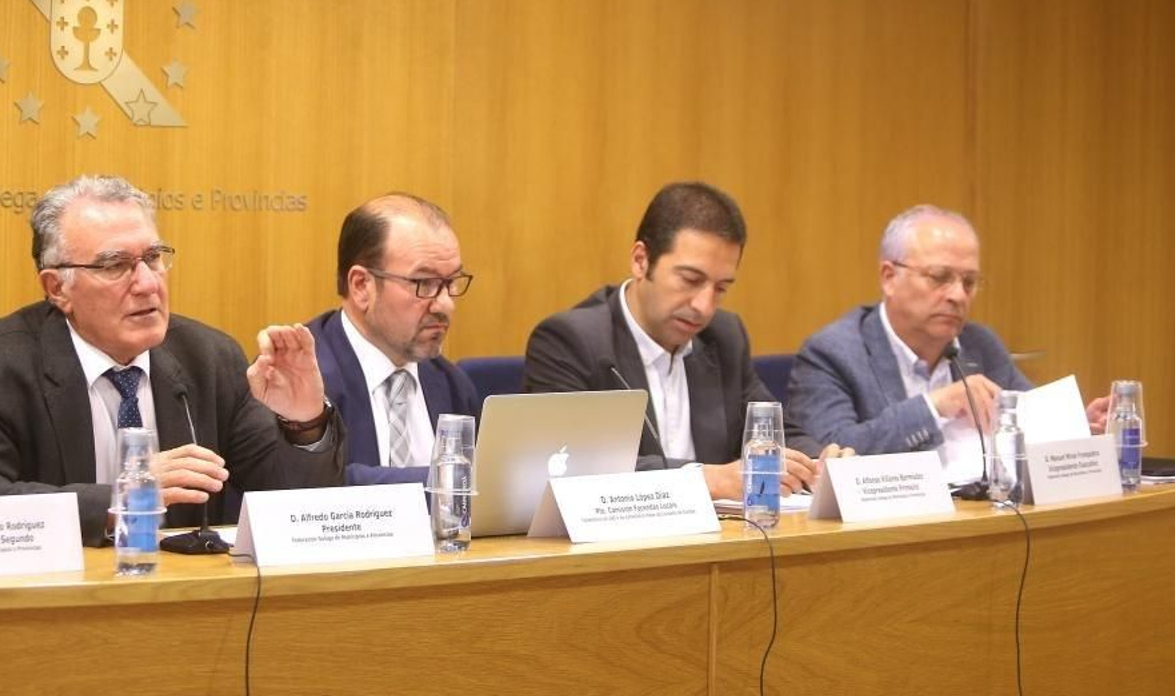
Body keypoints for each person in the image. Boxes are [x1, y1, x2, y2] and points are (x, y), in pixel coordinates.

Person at [0, 176, 344, 544]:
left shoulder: (209, 357)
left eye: (153, 258)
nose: (147, 283)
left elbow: (294, 507)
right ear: (57, 288)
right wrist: (120, 497)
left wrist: (304, 423)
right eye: (115, 265)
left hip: (191, 603)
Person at [523, 182, 833, 500]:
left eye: (721, 287)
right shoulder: (571, 341)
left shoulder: (724, 337)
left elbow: (771, 431)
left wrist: (821, 461)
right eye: (690, 280)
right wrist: (709, 481)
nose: (705, 306)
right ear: (641, 260)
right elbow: (573, 469)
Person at [788, 205, 1108, 484]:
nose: (958, 296)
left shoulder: (979, 344)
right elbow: (829, 454)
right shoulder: (833, 353)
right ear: (889, 277)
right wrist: (933, 406)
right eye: (940, 277)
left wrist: (1077, 427)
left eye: (969, 282)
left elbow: (1026, 418)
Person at [306, 193, 481, 485]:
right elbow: (319, 488)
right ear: (362, 286)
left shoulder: (450, 383)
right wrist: (445, 483)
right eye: (424, 283)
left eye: (451, 283)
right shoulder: (305, 382)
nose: (445, 304)